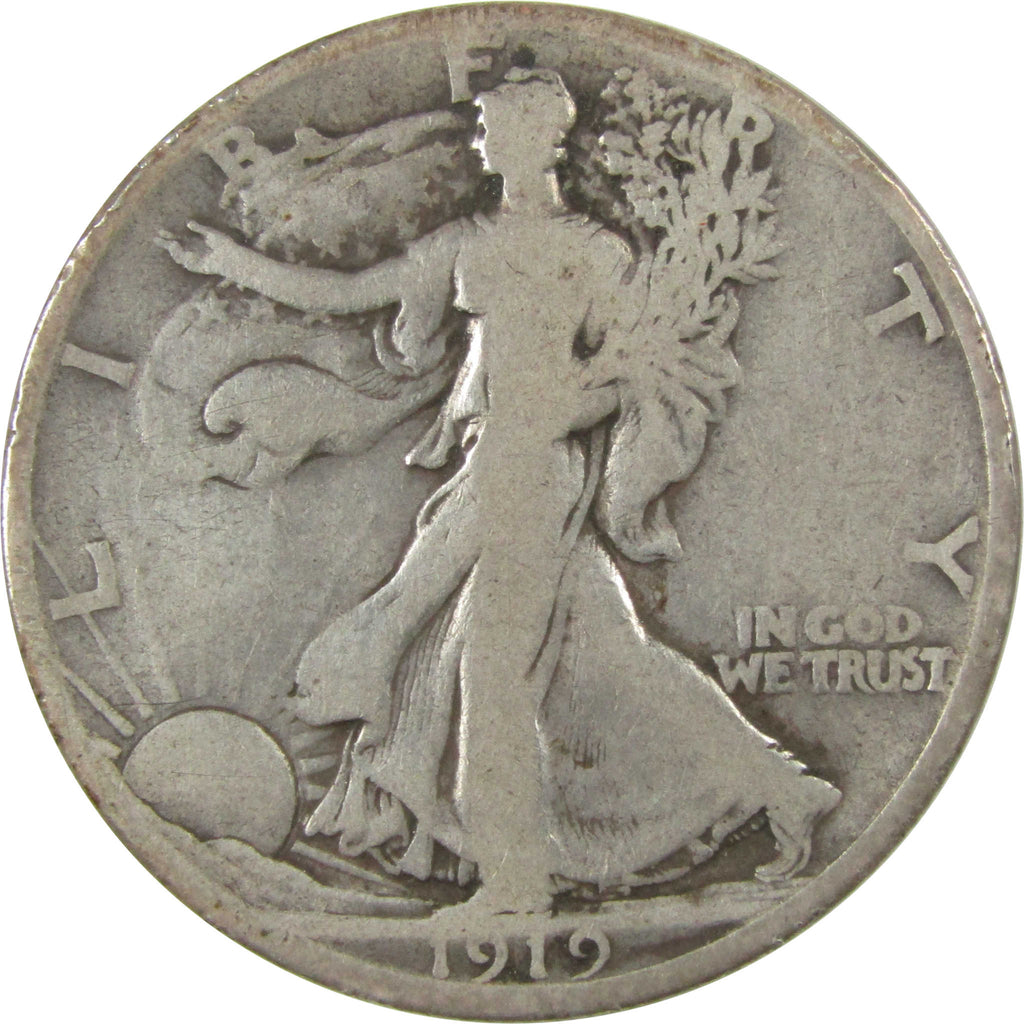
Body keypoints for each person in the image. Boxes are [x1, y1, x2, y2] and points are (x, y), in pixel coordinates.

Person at [158, 66, 840, 917]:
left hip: (536, 472)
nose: (479, 141)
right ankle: (782, 787)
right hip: (495, 462)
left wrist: (563, 412)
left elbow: (637, 373)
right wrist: (234, 264)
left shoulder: (596, 253)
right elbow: (348, 295)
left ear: (538, 138)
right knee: (610, 652)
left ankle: (515, 884)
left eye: (491, 128)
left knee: (491, 676)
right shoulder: (467, 245)